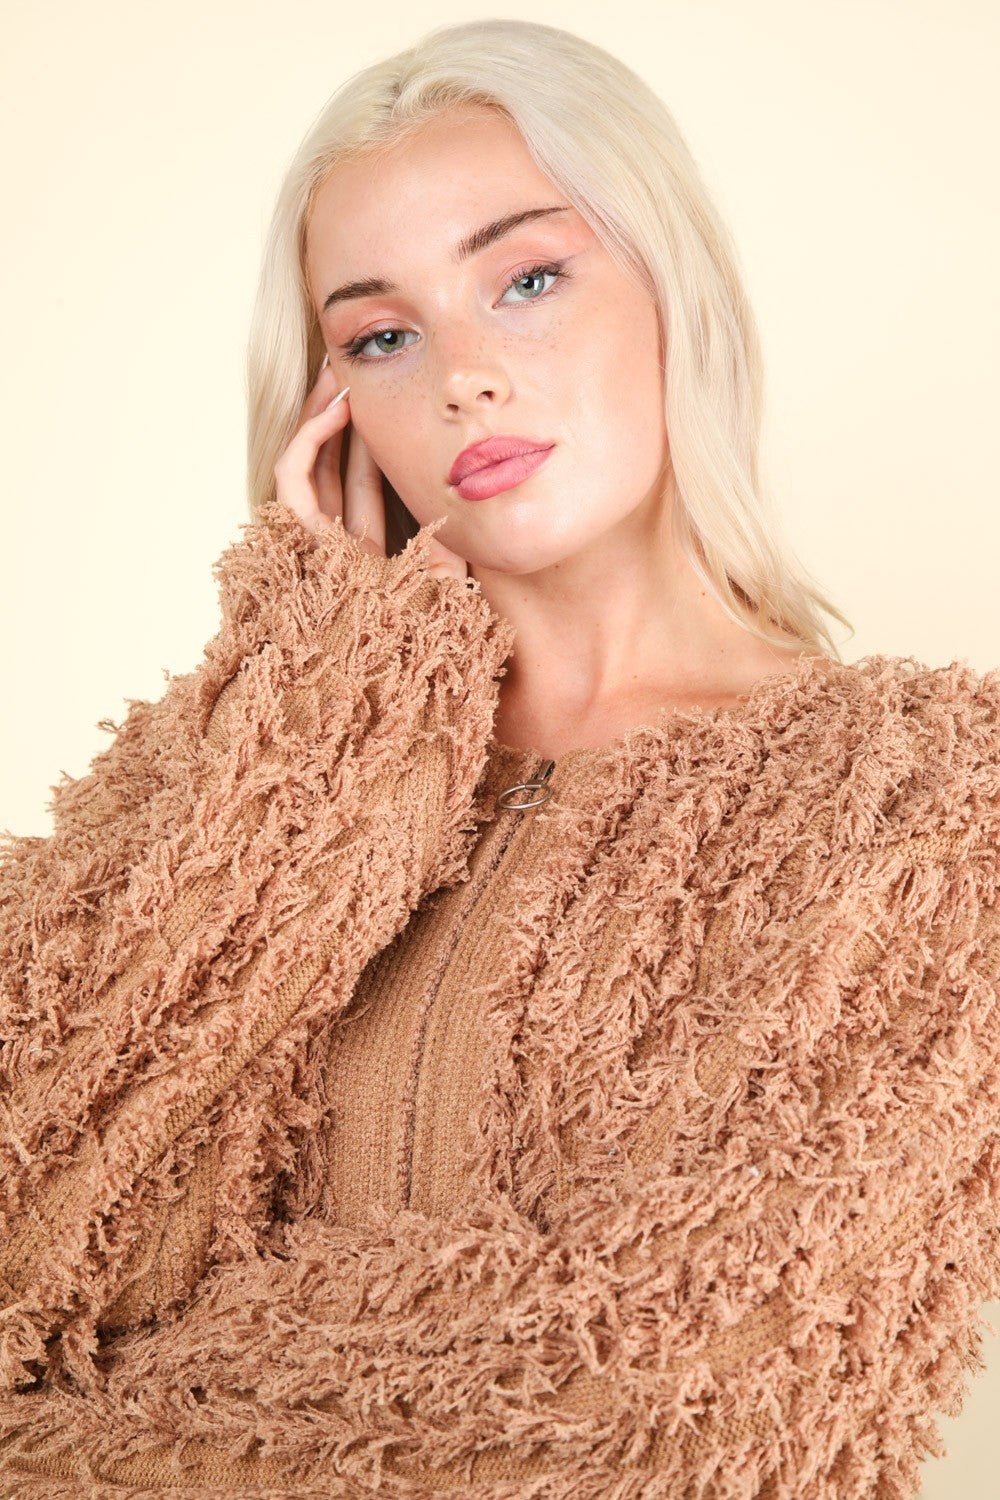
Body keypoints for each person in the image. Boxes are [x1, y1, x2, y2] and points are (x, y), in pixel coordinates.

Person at [1, 19, 998, 1499]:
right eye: (382, 335)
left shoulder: (932, 804)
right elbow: (32, 1227)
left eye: (527, 279)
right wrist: (324, 729)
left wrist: (99, 1419)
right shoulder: (238, 774)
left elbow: (660, 1409)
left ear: (672, 287)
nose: (463, 376)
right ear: (333, 409)